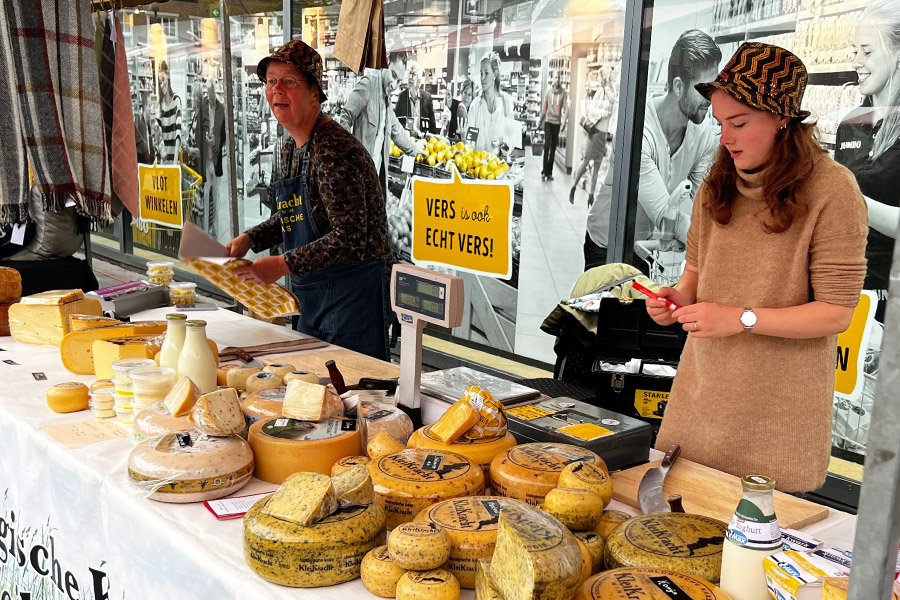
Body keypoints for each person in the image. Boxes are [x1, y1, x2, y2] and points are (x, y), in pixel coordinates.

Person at [646, 43, 868, 493]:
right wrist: (675, 300)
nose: (725, 139)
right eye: (720, 123)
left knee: (755, 551)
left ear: (783, 118)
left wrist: (741, 319)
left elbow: (835, 313)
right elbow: (694, 273)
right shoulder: (717, 183)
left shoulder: (834, 192)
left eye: (740, 124)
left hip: (779, 417)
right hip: (701, 400)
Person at [225, 40, 392, 361]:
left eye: (289, 82)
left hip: (351, 299)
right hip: (313, 295)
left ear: (315, 94)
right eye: (271, 81)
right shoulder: (289, 147)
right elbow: (296, 214)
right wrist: (251, 239)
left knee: (354, 393)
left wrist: (281, 265)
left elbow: (350, 238)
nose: (277, 90)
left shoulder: (335, 151)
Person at [834, 0, 900, 318]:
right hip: (846, 300)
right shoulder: (851, 122)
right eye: (855, 51)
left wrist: (850, 198)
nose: (856, 61)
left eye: (867, 51)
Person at [336, 56, 426, 194]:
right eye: (393, 75)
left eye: (399, 81)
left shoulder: (387, 99)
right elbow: (345, 117)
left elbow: (396, 129)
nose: (394, 85)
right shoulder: (368, 85)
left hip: (375, 176)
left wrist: (414, 149)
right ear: (385, 64)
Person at [570, 75, 614, 205]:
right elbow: (592, 109)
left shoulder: (612, 92)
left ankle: (591, 195)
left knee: (597, 166)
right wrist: (604, 114)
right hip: (595, 132)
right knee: (586, 161)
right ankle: (573, 187)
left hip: (603, 134)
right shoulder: (602, 91)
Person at [467, 52, 516, 153]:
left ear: (495, 74)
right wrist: (464, 137)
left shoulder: (506, 102)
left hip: (497, 166)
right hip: (477, 166)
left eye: (486, 73)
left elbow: (512, 141)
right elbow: (470, 141)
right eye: (481, 73)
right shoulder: (475, 105)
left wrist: (502, 142)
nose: (482, 78)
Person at [394, 60, 437, 138]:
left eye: (413, 75)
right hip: (407, 141)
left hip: (423, 140)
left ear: (419, 80)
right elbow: (396, 123)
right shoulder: (402, 97)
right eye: (409, 74)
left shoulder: (427, 98)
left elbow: (432, 126)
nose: (410, 78)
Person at [538, 74, 568, 181]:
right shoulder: (548, 92)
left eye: (559, 78)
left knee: (553, 148)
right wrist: (540, 121)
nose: (557, 79)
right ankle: (544, 171)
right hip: (548, 122)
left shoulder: (564, 93)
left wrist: (564, 122)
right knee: (547, 146)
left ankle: (549, 172)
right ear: (553, 79)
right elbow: (544, 107)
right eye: (556, 77)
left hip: (557, 123)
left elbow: (566, 108)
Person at [157, 60, 182, 164]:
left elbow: (178, 132)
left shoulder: (176, 100)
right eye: (160, 82)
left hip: (175, 158)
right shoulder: (159, 106)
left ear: (168, 78)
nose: (162, 84)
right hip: (164, 159)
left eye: (163, 80)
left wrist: (175, 162)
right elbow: (158, 135)